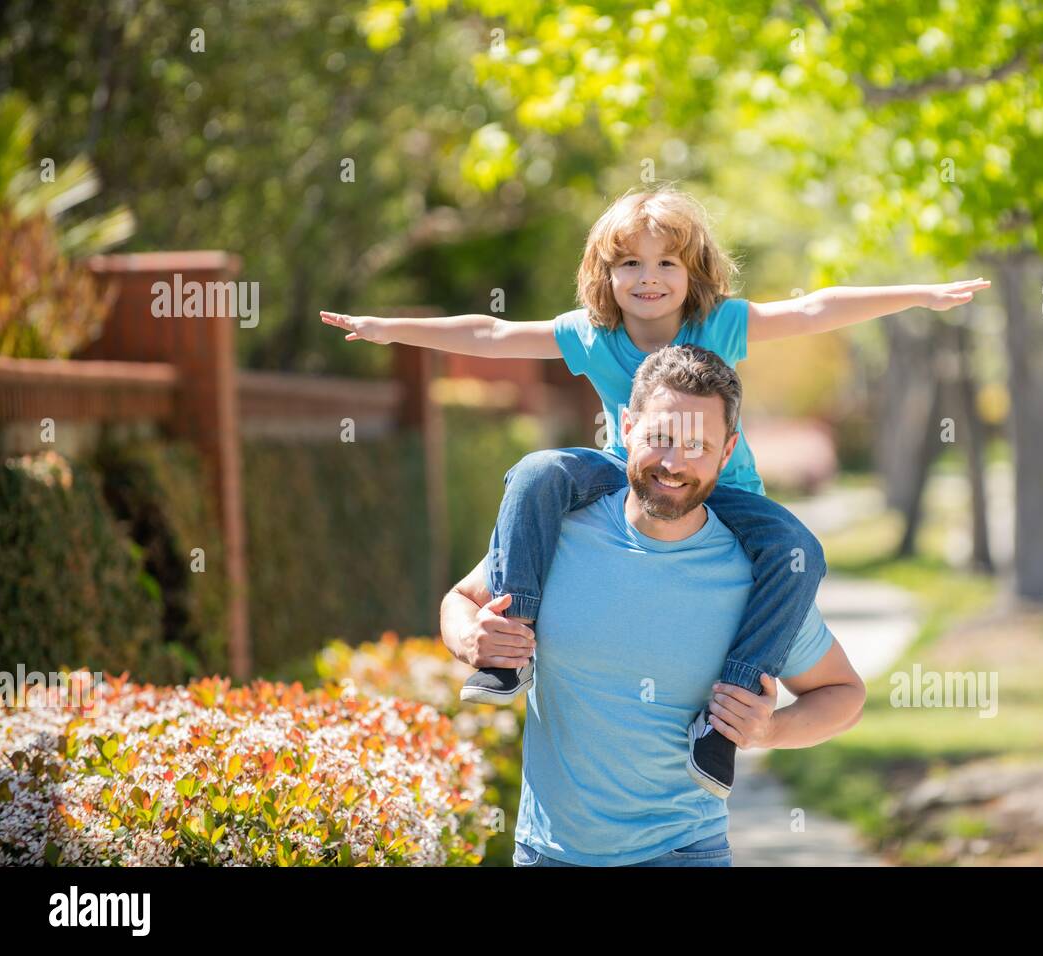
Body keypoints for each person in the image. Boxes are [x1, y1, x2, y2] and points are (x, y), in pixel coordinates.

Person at [320, 183, 988, 797]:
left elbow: (814, 308)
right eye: (630, 264)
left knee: (798, 550)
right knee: (537, 474)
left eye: (667, 264)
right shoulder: (591, 334)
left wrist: (918, 294)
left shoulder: (720, 324)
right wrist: (390, 330)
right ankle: (511, 641)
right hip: (626, 473)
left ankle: (722, 723)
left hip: (725, 488)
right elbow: (491, 333)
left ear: (693, 274)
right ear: (605, 274)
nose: (648, 279)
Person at [438, 344, 866, 865]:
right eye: (659, 438)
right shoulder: (557, 532)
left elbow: (844, 695)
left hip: (683, 852)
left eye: (697, 446)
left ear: (727, 453)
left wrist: (768, 729)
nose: (673, 463)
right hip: (546, 851)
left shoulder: (758, 580)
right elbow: (460, 599)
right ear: (625, 428)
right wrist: (470, 639)